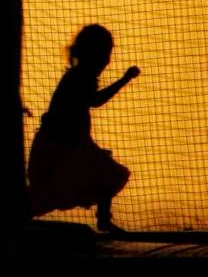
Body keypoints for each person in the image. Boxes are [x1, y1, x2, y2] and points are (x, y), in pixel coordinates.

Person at [27, 23, 140, 233]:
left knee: (103, 176)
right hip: (59, 148)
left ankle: (104, 220)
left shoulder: (78, 76)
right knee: (56, 191)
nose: (108, 61)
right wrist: (125, 79)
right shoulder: (79, 77)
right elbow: (95, 101)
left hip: (67, 146)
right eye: (105, 54)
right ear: (93, 53)